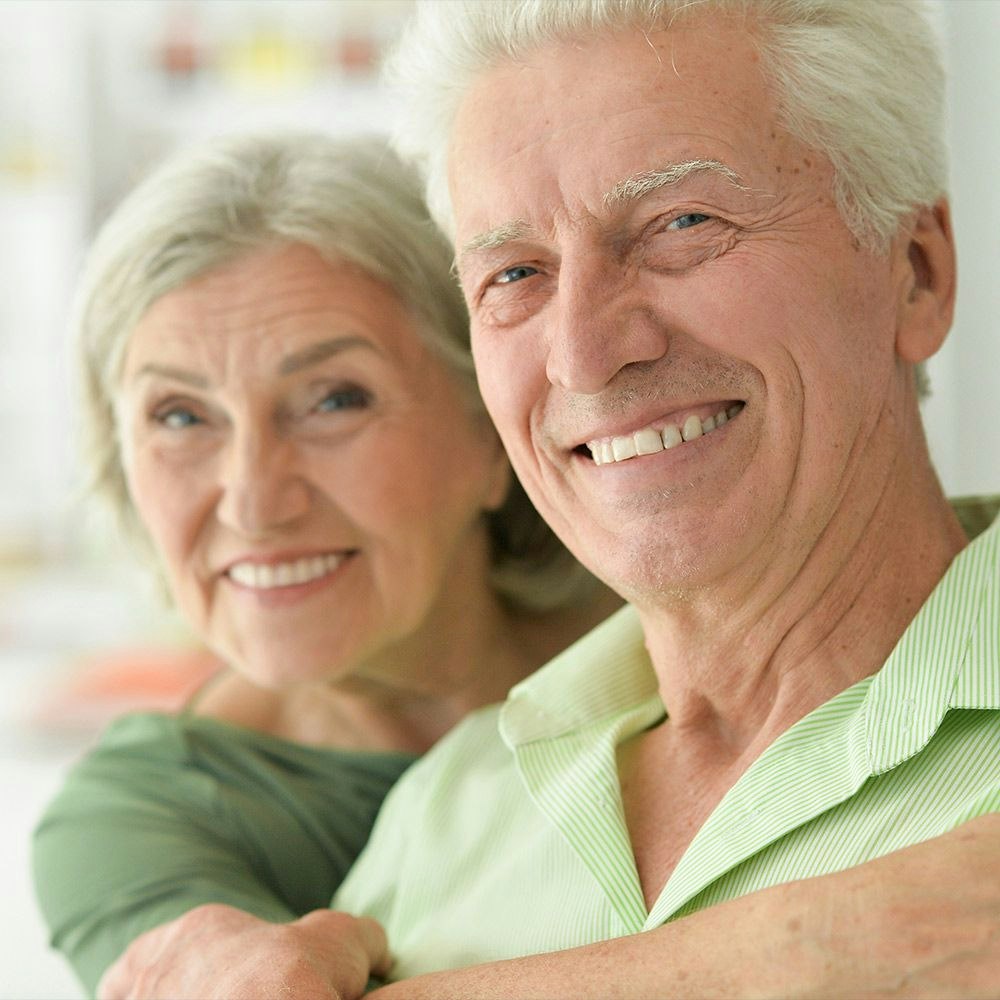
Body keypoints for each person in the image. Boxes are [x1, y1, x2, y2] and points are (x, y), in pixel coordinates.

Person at [90, 1, 1000, 998]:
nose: (584, 349)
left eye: (682, 223)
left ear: (915, 273)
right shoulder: (452, 803)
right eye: (514, 272)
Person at [31, 130, 622, 997]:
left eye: (334, 400)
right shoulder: (135, 821)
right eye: (181, 417)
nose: (253, 501)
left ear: (492, 426)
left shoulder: (687, 649)